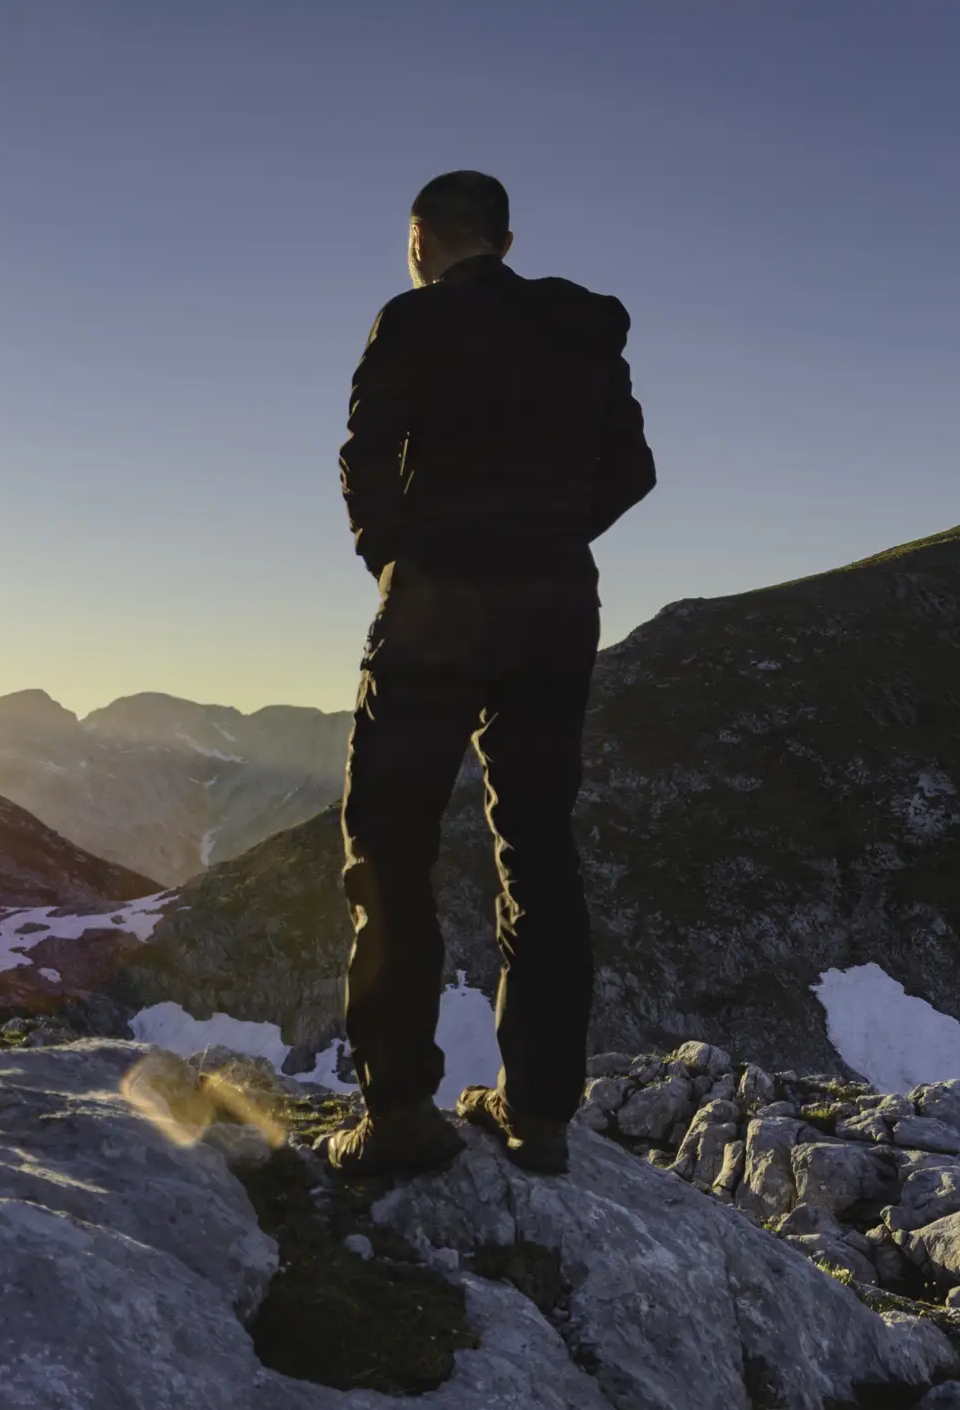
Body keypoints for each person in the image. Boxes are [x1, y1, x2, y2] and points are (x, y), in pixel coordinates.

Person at [320, 170, 656, 1179]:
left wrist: (395, 558)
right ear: (503, 242)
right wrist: (546, 536)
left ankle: (396, 1116)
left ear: (422, 237)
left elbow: (364, 453)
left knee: (388, 843)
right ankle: (538, 1112)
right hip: (555, 609)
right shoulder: (582, 330)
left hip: (435, 607)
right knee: (536, 845)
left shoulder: (413, 320)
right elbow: (630, 471)